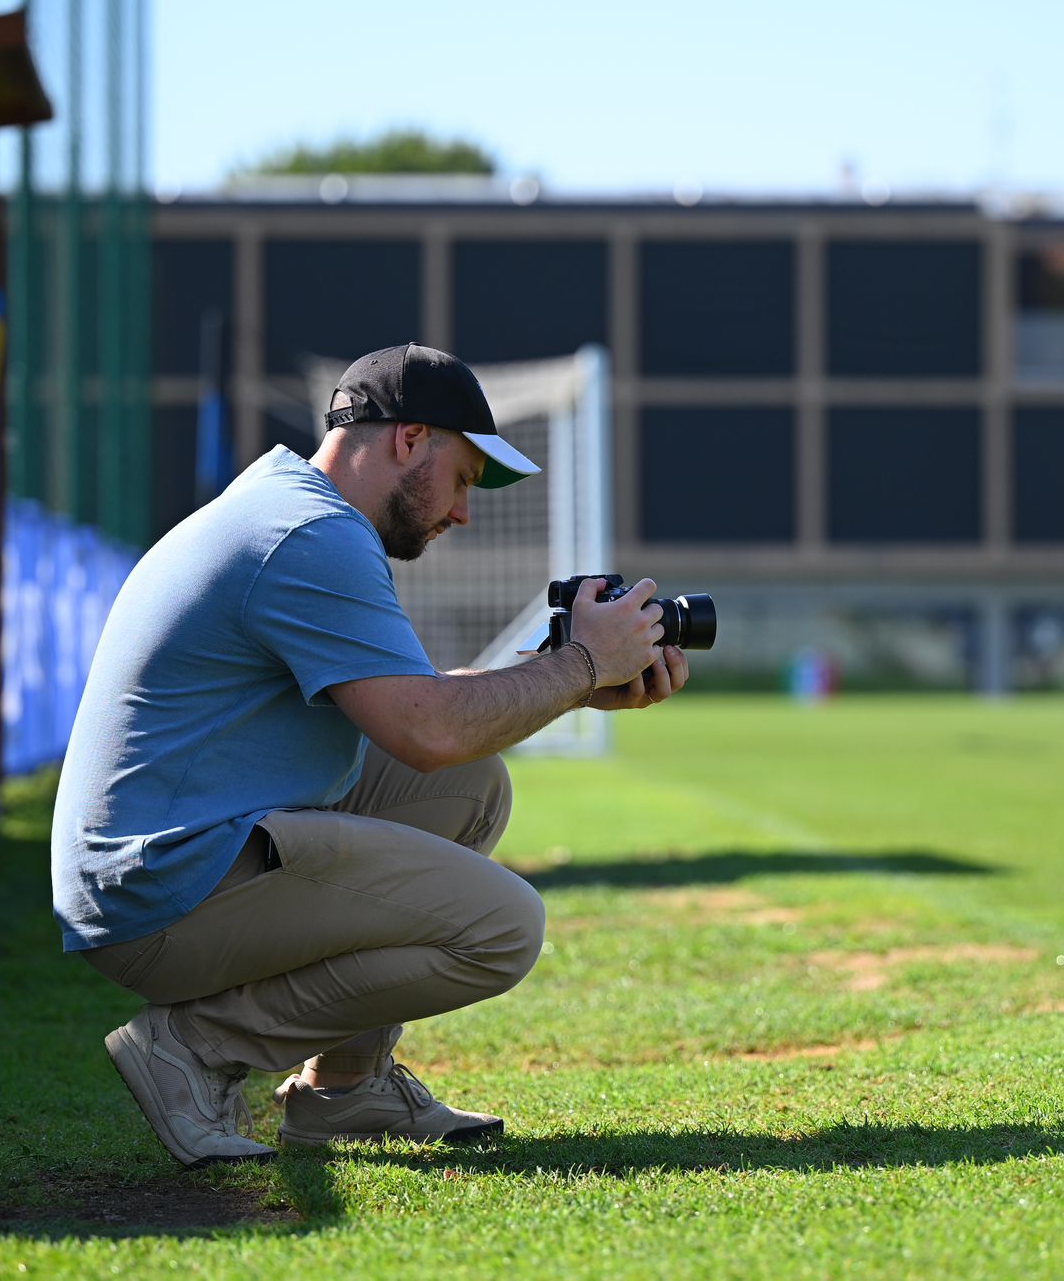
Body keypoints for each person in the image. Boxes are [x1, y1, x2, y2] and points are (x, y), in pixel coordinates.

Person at [50, 343, 689, 1168]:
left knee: (471, 789)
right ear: (409, 438)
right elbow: (427, 729)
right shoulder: (311, 535)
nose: (462, 512)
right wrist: (580, 664)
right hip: (158, 895)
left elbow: (421, 711)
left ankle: (344, 1092)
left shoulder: (289, 508)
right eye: (462, 479)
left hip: (159, 863)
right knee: (503, 928)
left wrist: (569, 683)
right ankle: (195, 1048)